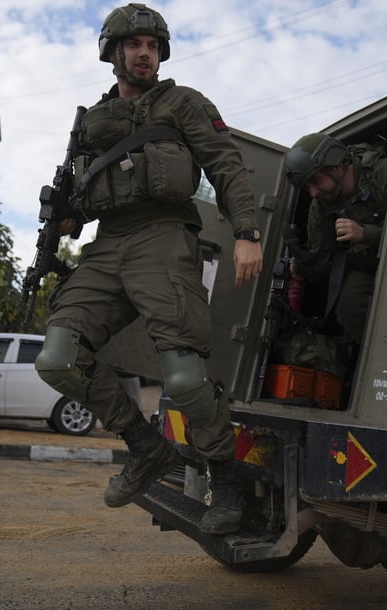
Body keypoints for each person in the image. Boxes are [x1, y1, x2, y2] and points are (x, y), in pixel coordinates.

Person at [35, 3, 263, 535]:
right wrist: (68, 218)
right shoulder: (93, 122)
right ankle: (145, 448)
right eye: (134, 45)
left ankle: (226, 480)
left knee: (184, 378)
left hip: (165, 237)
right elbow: (90, 191)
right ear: (113, 53)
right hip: (108, 244)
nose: (145, 54)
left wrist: (246, 233)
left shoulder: (182, 103)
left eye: (153, 46)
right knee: (57, 358)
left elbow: (226, 165)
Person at [283, 133, 387, 346]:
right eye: (307, 187)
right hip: (365, 265)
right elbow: (324, 265)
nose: (313, 193)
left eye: (315, 181)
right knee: (350, 310)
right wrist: (301, 265)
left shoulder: (382, 171)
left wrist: (365, 233)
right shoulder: (320, 207)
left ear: (336, 166)